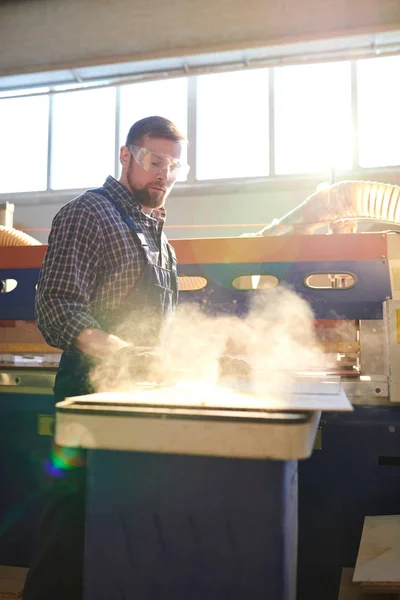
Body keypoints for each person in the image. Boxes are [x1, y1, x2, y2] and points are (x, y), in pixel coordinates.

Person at [23, 115, 187, 600]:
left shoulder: (158, 236)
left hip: (141, 400)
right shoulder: (88, 214)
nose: (165, 175)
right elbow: (56, 306)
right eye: (155, 161)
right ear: (126, 156)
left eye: (175, 166)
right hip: (91, 396)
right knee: (71, 531)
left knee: (123, 528)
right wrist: (122, 353)